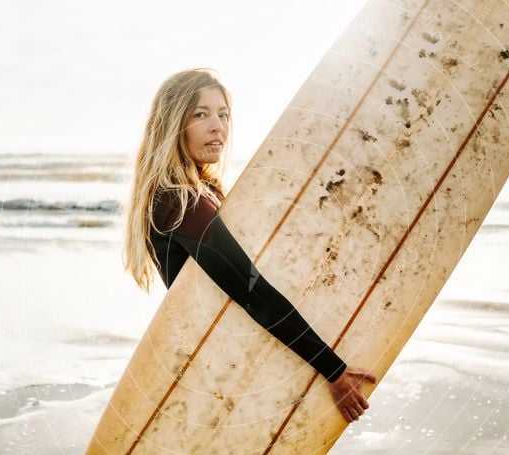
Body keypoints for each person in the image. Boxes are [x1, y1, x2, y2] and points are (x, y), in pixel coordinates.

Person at [122, 68, 375, 423]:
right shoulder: (180, 202)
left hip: (229, 362)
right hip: (224, 371)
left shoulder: (198, 193)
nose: (217, 126)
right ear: (171, 125)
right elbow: (251, 290)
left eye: (223, 115)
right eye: (200, 114)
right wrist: (333, 370)